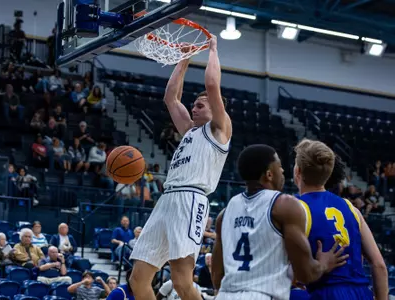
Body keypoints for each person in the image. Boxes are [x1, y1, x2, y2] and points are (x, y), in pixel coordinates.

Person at [129, 35, 232, 300]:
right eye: (193, 105)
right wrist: (184, 59)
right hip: (167, 199)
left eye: (199, 105)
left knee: (181, 281)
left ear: (215, 109)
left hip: (191, 199)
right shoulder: (188, 130)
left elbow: (212, 85)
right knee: (138, 279)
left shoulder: (219, 129)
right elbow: (171, 98)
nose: (193, 108)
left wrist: (212, 49)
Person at [211, 144, 348, 300]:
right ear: (269, 175)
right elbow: (306, 274)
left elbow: (217, 276)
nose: (283, 171)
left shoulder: (224, 214)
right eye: (279, 166)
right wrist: (324, 264)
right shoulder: (284, 205)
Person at [293, 139, 388, 300]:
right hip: (361, 293)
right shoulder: (352, 208)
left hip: (326, 293)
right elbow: (379, 266)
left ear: (298, 171)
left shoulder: (294, 208)